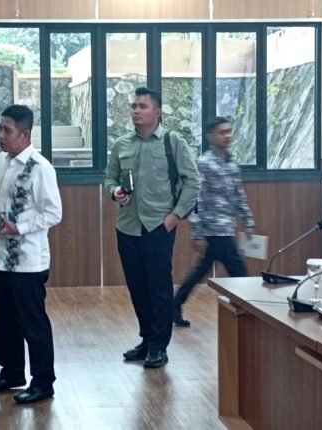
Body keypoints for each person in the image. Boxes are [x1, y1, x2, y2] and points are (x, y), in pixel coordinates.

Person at [103, 87, 200, 369]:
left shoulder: (172, 141)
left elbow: (193, 181)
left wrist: (175, 216)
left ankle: (159, 345)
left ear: (157, 112)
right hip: (127, 226)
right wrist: (115, 192)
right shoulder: (121, 144)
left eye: (142, 106)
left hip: (158, 226)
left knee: (159, 288)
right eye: (134, 106)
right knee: (137, 287)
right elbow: (109, 178)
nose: (136, 111)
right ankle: (146, 339)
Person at [0, 105, 62, 404]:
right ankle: (11, 372)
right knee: (5, 320)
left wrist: (21, 227)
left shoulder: (41, 167)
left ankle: (43, 381)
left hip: (28, 260)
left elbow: (54, 212)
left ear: (25, 134)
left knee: (32, 322)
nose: (0, 135)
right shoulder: (0, 161)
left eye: (7, 130)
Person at [173, 117, 255, 327]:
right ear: (211, 137)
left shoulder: (232, 164)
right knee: (238, 271)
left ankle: (174, 304)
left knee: (201, 270)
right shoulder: (204, 164)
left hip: (226, 226)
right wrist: (197, 231)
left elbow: (239, 195)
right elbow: (196, 199)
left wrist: (247, 220)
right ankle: (248, 311)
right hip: (213, 228)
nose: (227, 136)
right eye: (222, 132)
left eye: (229, 131)